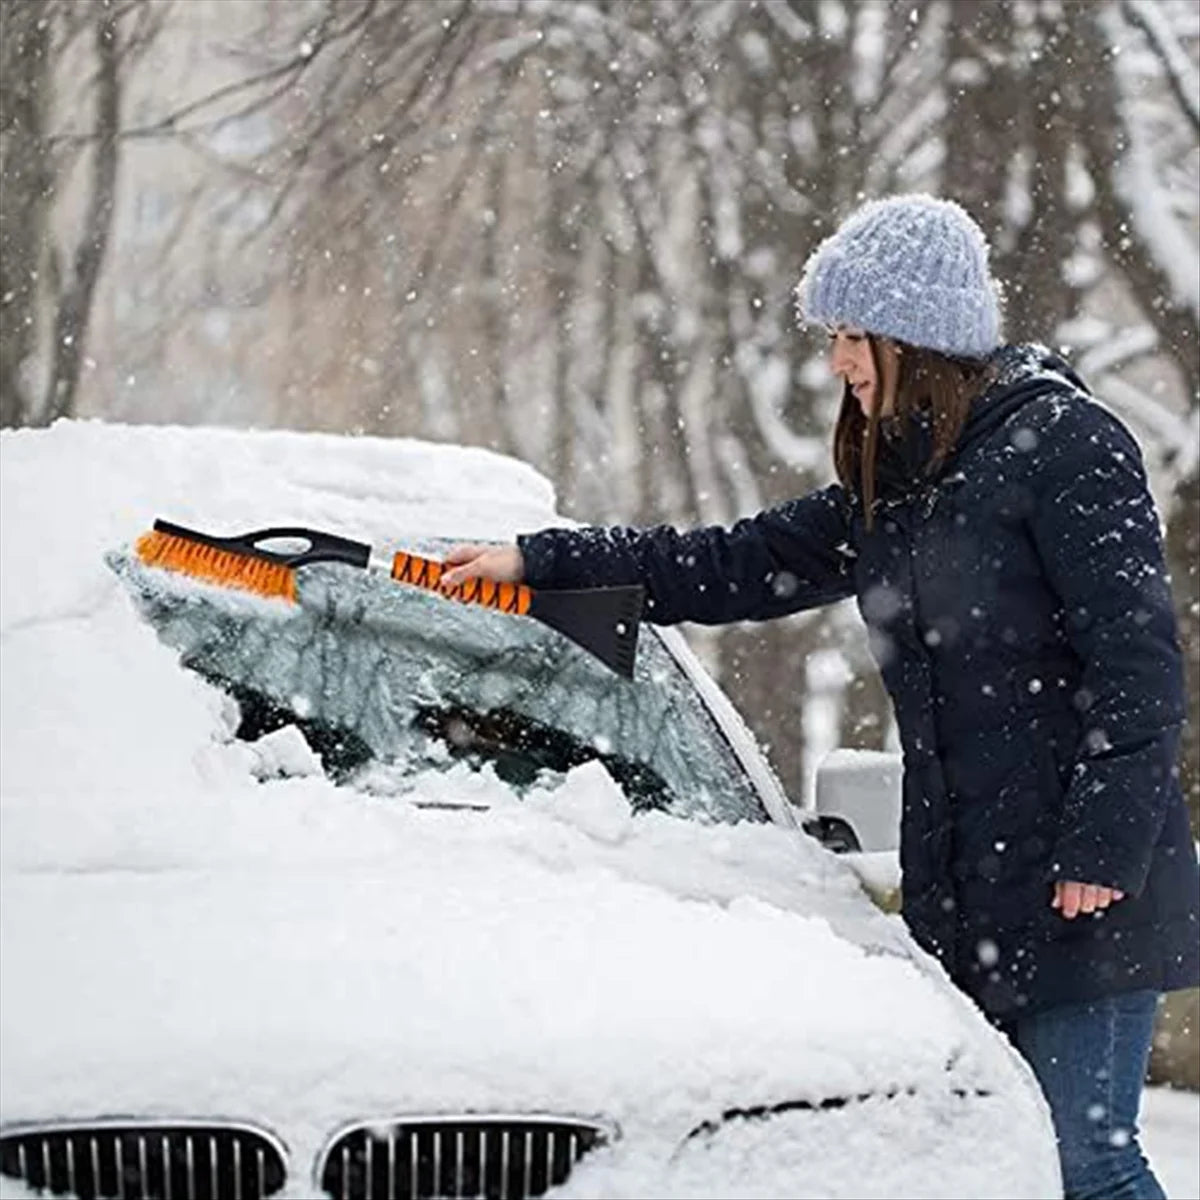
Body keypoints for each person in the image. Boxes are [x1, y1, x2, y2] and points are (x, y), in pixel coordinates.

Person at [441, 195, 1200, 1200]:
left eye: (852, 337)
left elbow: (1139, 665)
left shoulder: (1066, 446)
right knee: (1002, 1169)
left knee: (1086, 1163)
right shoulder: (900, 482)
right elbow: (727, 564)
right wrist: (543, 560)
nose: (838, 362)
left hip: (1080, 887)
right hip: (970, 887)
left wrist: (1100, 851)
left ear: (915, 338)